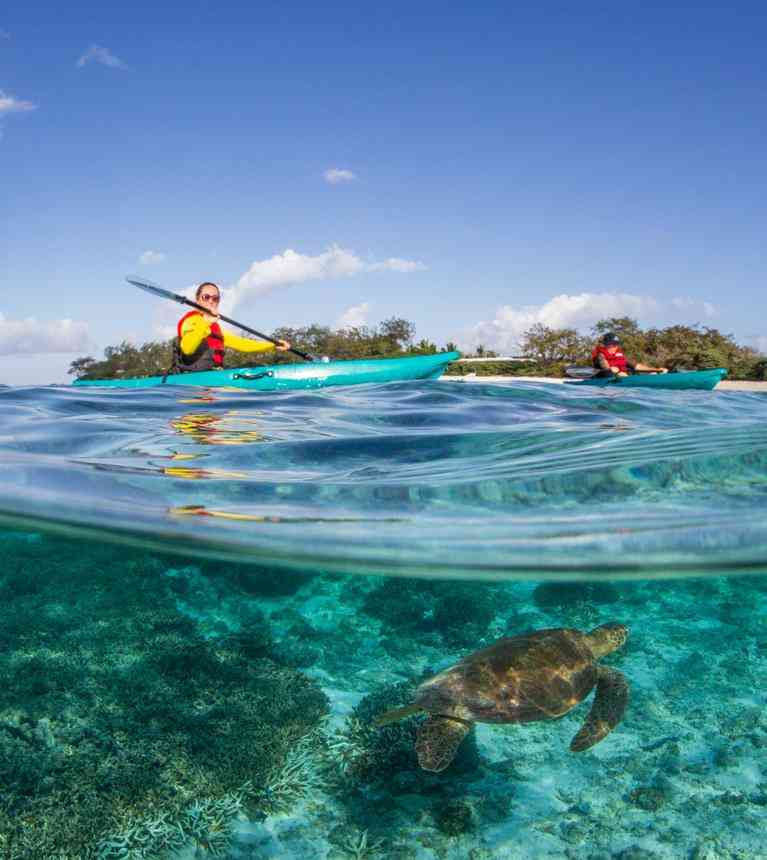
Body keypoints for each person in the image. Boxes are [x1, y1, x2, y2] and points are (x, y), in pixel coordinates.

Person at [173, 282, 291, 373]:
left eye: (215, 298)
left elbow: (243, 344)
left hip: (213, 380)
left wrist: (273, 345)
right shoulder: (191, 320)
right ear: (197, 300)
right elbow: (187, 348)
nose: (211, 301)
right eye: (206, 297)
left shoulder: (213, 326)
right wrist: (205, 322)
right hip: (193, 388)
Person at [591, 333, 668, 378]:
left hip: (623, 377)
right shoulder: (600, 355)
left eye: (616, 344)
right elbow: (606, 367)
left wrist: (657, 370)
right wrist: (615, 371)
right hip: (603, 378)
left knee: (653, 373)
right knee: (611, 371)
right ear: (606, 344)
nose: (616, 346)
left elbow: (637, 366)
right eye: (613, 344)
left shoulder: (619, 355)